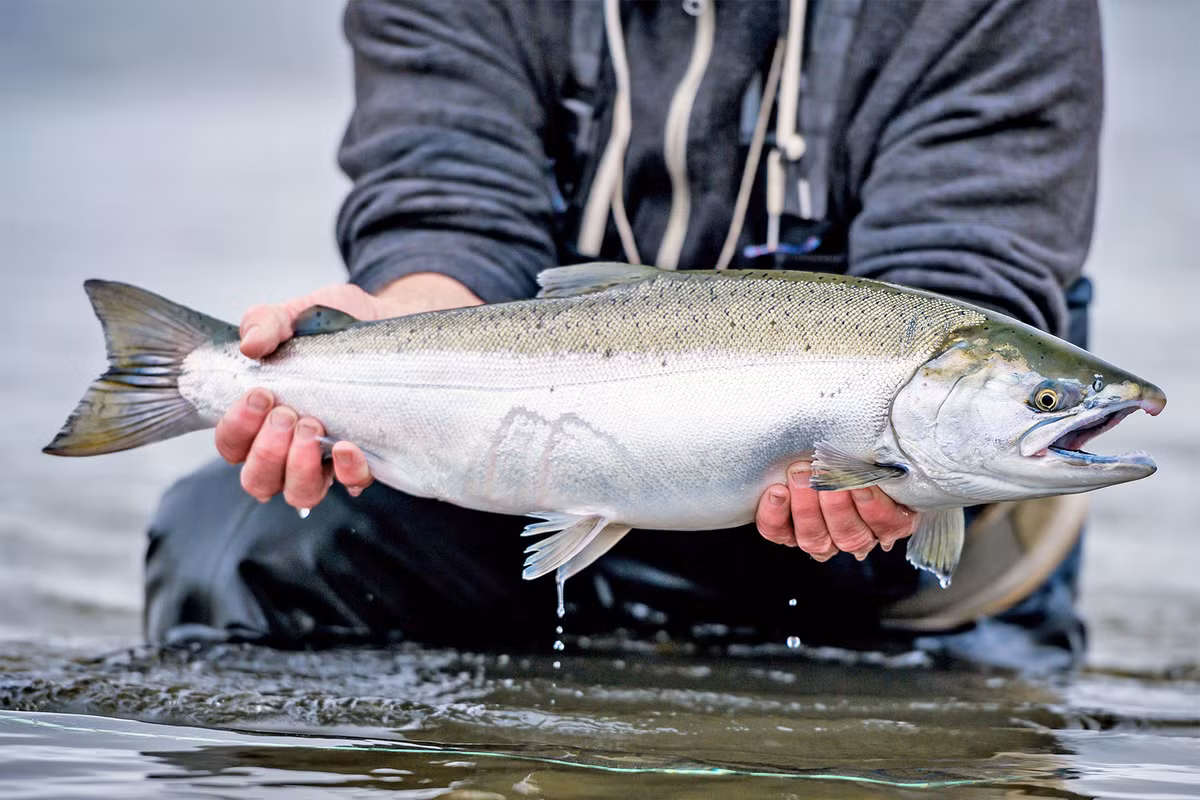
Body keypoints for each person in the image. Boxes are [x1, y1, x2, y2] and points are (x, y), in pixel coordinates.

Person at [145, 0, 1103, 667]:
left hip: (903, 576)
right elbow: (451, 196)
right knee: (229, 548)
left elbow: (965, 271)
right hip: (507, 470)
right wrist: (402, 320)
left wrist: (929, 473)